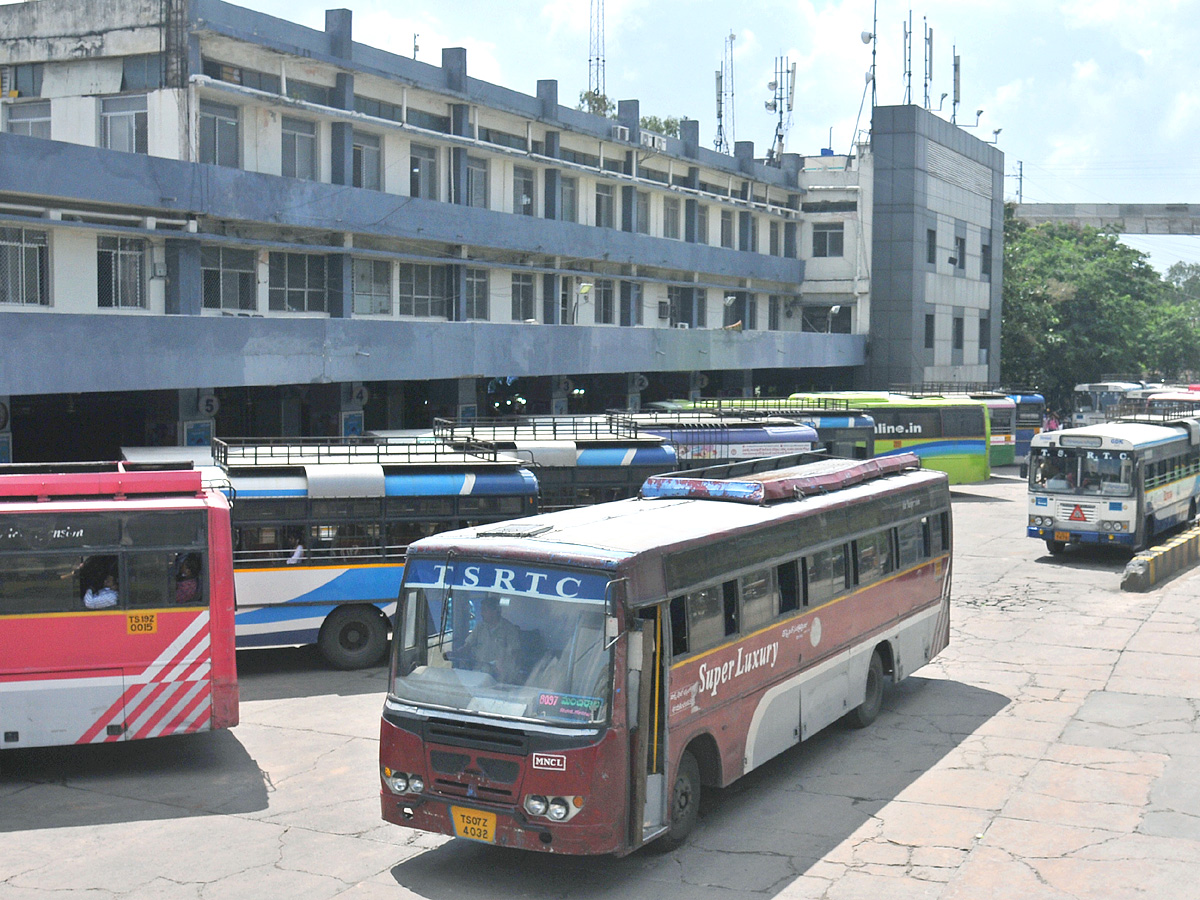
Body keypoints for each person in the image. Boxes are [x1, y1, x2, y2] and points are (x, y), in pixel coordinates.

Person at [448, 596, 520, 682]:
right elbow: (467, 646)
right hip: (479, 672)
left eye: (484, 610)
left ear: (495, 611)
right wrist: (456, 653)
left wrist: (503, 665)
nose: (481, 613)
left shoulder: (509, 629)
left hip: (500, 676)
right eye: (481, 610)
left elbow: (515, 654)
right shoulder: (480, 627)